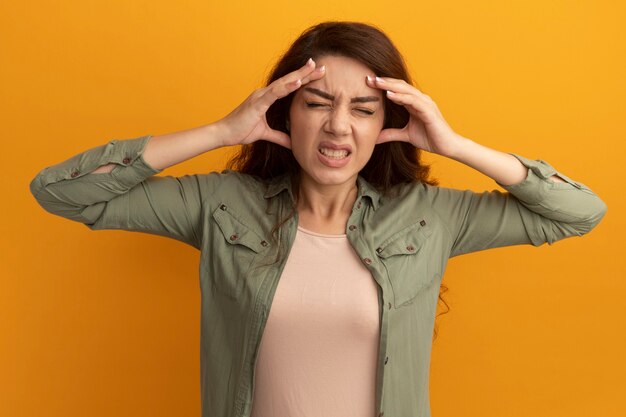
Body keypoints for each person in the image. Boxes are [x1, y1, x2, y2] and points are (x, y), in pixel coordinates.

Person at [30, 21, 607, 417]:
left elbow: (579, 213)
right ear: (286, 110)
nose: (339, 126)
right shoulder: (222, 204)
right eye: (317, 103)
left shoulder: (431, 217)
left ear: (388, 123)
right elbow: (62, 193)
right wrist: (221, 132)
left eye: (363, 109)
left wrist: (455, 145)